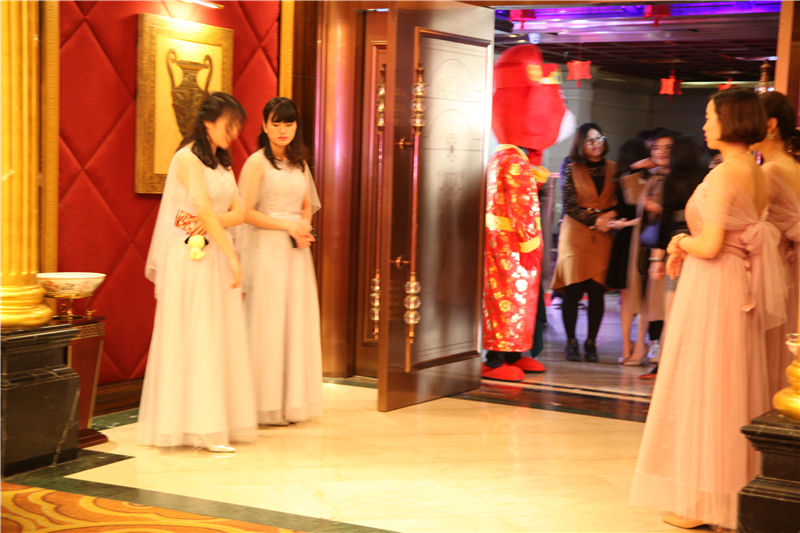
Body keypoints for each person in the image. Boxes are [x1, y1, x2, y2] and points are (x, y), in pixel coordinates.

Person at [630, 88, 786, 531]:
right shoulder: (756, 171)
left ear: (729, 122)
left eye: (709, 117)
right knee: (730, 384)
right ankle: (725, 497)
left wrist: (679, 241)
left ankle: (706, 503)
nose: (704, 125)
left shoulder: (724, 175)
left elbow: (712, 244)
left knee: (707, 386)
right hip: (736, 283)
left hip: (715, 285)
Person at [138, 92, 257, 453]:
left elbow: (239, 212)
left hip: (212, 250)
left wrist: (207, 223)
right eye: (228, 125)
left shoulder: (222, 162)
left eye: (237, 127)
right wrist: (230, 253)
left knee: (217, 334)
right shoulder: (187, 158)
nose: (233, 133)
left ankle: (213, 421)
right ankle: (198, 428)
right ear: (208, 122)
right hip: (191, 257)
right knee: (196, 333)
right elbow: (203, 208)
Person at [481, 44, 576, 381]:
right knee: (508, 298)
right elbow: (522, 208)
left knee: (516, 299)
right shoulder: (513, 160)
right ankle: (495, 359)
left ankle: (512, 353)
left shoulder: (506, 156)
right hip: (512, 246)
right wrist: (530, 243)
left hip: (507, 244)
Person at [238, 96, 323, 425]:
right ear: (264, 126)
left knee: (295, 318)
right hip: (267, 249)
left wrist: (303, 227)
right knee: (269, 320)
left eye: (289, 123)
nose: (283, 129)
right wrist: (287, 226)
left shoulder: (300, 163)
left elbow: (307, 204)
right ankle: (265, 403)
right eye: (276, 123)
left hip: (296, 250)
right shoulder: (256, 163)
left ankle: (292, 401)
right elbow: (246, 212)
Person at [639, 135, 705, 379]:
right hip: (702, 245)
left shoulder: (673, 178)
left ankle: (666, 365)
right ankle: (693, 364)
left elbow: (666, 221)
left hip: (677, 247)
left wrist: (657, 260)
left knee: (672, 311)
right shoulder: (707, 176)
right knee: (698, 311)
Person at [551, 123, 617, 362]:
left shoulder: (613, 168)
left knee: (597, 290)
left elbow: (621, 201)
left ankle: (591, 342)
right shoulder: (570, 165)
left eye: (599, 138)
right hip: (575, 233)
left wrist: (610, 216)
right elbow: (570, 205)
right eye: (589, 140)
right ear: (580, 143)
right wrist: (596, 219)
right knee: (573, 289)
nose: (595, 144)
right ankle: (571, 341)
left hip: (603, 234)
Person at [755, 91, 800, 396]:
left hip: (781, 266)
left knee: (777, 341)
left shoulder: (770, 171)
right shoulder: (792, 165)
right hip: (790, 260)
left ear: (770, 125)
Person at [622, 129, 675, 366]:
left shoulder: (677, 178)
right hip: (645, 244)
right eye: (656, 148)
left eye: (667, 148)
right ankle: (644, 348)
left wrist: (660, 209)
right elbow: (632, 198)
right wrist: (636, 169)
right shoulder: (654, 177)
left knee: (659, 299)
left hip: (666, 245)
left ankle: (659, 348)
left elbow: (680, 210)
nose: (661, 152)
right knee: (644, 297)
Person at [606, 138, 650, 363]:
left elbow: (622, 210)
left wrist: (620, 223)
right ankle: (638, 346)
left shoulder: (620, 178)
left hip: (623, 240)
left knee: (626, 298)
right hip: (641, 239)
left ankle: (626, 349)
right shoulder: (646, 179)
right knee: (642, 297)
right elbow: (643, 215)